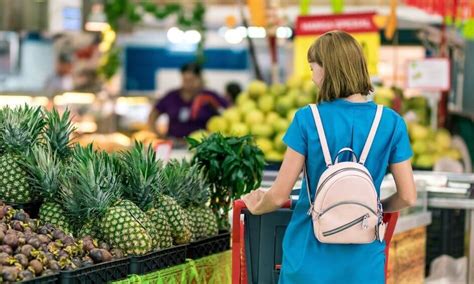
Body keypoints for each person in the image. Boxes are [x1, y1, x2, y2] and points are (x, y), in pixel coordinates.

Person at [242, 31, 417, 283]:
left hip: (308, 258)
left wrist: (258, 203)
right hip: (364, 262)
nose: (312, 77)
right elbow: (408, 196)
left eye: (313, 68)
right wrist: (373, 209)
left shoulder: (307, 119)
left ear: (327, 70)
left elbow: (280, 194)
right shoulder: (391, 122)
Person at [148, 62, 229, 138]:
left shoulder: (210, 96)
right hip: (174, 143)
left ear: (200, 79)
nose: (188, 84)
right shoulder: (171, 96)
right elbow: (153, 114)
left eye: (192, 80)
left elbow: (228, 112)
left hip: (202, 144)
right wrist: (158, 135)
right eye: (185, 80)